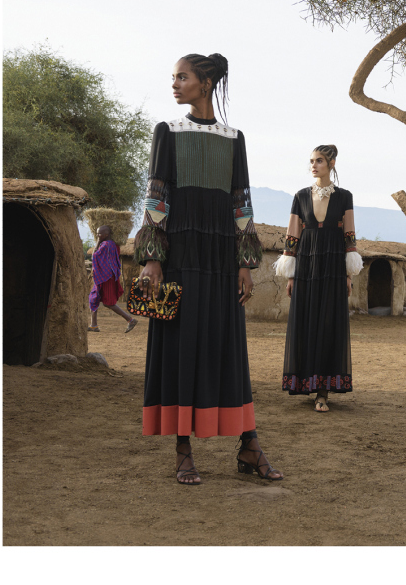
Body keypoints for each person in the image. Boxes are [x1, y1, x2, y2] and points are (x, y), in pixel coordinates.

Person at [134, 52, 282, 485]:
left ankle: (249, 444)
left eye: (182, 77)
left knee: (226, 346)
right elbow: (156, 196)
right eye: (173, 77)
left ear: (207, 82)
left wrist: (245, 264)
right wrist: (153, 257)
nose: (174, 84)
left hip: (221, 261)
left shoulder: (234, 138)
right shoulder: (167, 131)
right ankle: (183, 449)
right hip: (179, 258)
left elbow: (242, 202)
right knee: (183, 347)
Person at [273, 144, 363, 413]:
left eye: (319, 161)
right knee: (306, 321)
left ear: (331, 164)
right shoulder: (300, 196)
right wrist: (291, 276)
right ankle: (306, 382)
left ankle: (323, 392)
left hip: (333, 266)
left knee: (329, 323)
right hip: (306, 266)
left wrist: (348, 274)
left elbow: (349, 236)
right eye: (312, 161)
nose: (313, 165)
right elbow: (292, 235)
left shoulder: (345, 197)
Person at [88, 224, 138, 333]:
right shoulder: (114, 245)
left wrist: (97, 242)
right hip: (105, 276)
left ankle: (130, 320)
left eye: (99, 233)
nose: (97, 235)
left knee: (108, 303)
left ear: (106, 234)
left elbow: (95, 255)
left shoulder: (105, 245)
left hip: (106, 277)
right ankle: (93, 325)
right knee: (94, 298)